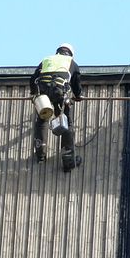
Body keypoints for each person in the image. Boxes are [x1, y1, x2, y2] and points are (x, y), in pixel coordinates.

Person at [30, 43, 83, 171]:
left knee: (43, 118)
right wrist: (78, 95)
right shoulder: (72, 62)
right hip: (59, 92)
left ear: (57, 51)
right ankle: (68, 160)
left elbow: (33, 78)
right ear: (70, 53)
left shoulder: (46, 60)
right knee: (65, 121)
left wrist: (33, 93)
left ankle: (40, 155)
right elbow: (76, 83)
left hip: (43, 92)